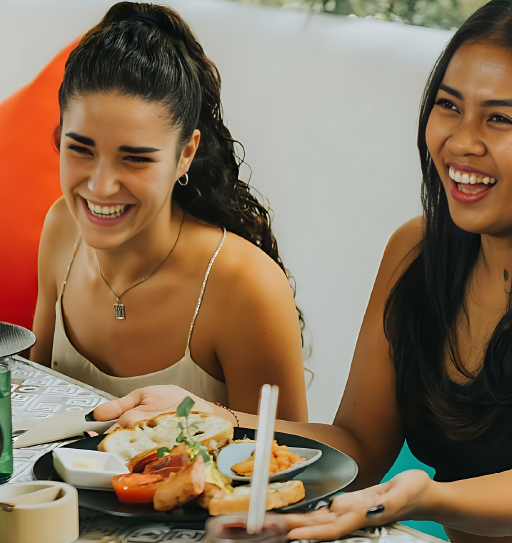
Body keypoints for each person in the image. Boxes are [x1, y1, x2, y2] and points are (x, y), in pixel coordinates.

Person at [96, 0, 512, 543]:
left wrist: (420, 498)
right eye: (448, 106)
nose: (461, 142)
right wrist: (214, 419)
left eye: (500, 120)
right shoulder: (415, 250)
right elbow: (358, 446)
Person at [30, 2, 308, 421]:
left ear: (185, 155)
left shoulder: (245, 286)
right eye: (80, 149)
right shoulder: (61, 230)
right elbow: (37, 400)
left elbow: (287, 460)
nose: (101, 186)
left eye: (135, 159)